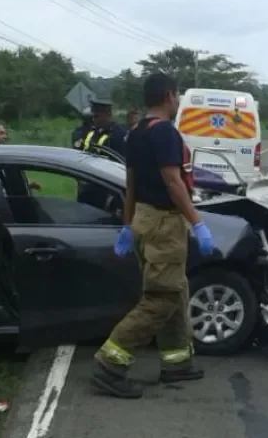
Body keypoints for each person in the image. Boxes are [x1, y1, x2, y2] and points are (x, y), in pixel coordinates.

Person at [91, 72, 214, 399]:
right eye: (177, 95)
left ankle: (177, 361)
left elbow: (131, 183)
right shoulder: (165, 134)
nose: (177, 101)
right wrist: (197, 222)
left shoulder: (136, 133)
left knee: (176, 289)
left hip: (146, 218)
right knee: (161, 297)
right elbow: (173, 182)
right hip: (164, 223)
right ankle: (109, 364)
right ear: (169, 96)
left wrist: (129, 223)